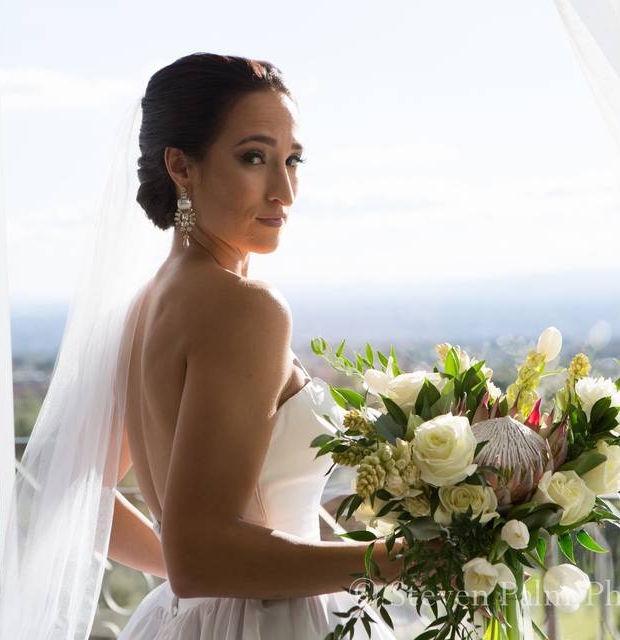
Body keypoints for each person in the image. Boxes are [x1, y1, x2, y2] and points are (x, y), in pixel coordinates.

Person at [112, 53, 410, 638]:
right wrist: (394, 559)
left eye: (292, 160)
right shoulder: (246, 308)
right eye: (253, 158)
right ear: (181, 166)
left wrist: (180, 569)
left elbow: (96, 498)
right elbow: (202, 557)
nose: (284, 191)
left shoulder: (146, 305)